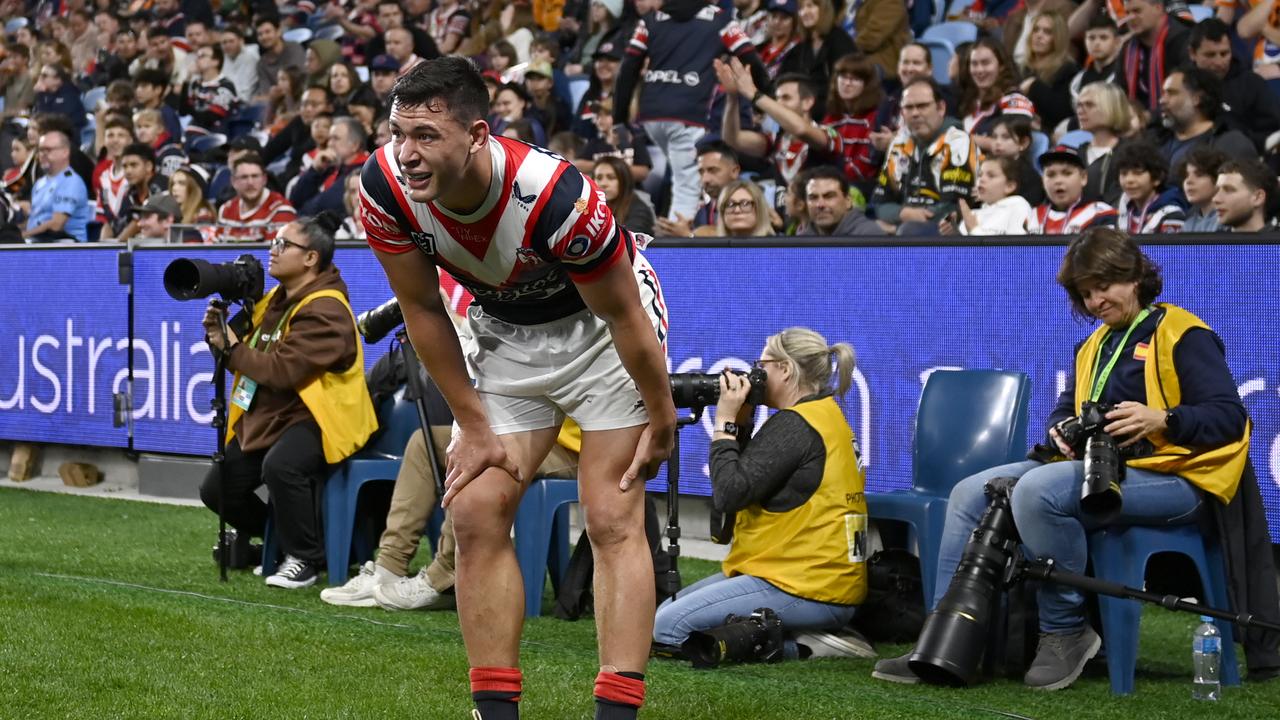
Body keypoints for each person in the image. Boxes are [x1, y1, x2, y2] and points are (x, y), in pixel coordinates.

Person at [359, 57, 674, 720]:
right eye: (398, 134)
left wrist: (662, 411)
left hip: (601, 333)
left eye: (426, 137)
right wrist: (472, 423)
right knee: (474, 510)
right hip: (508, 332)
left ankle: (616, 711)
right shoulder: (381, 186)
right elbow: (420, 309)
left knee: (612, 515)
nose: (407, 154)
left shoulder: (556, 195)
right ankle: (495, 711)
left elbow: (623, 315)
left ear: (477, 135)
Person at [873, 227, 1252, 690]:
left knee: (1037, 491)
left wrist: (1163, 420)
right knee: (969, 491)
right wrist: (1059, 428)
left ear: (1134, 277)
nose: (1095, 301)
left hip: (1179, 479)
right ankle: (944, 636)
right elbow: (1068, 407)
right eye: (1086, 293)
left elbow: (1229, 417)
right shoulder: (1092, 347)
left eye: (1104, 286)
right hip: (1101, 470)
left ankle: (1065, 630)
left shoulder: (1183, 333)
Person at [653, 327, 871, 660]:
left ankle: (804, 647)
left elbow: (729, 494)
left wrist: (724, 423)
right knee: (669, 612)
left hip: (806, 586)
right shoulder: (822, 414)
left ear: (784, 369)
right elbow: (746, 491)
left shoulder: (795, 425)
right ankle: (800, 629)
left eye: (762, 364)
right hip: (818, 581)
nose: (755, 374)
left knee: (668, 628)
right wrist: (740, 426)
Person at [201, 216, 377, 589]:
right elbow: (239, 353)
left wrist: (231, 347)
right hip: (271, 415)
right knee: (217, 488)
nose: (272, 250)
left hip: (318, 418)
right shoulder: (274, 302)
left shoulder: (327, 309)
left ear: (311, 258)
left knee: (281, 466)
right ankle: (282, 542)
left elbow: (281, 371)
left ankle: (306, 558)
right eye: (273, 242)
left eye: (283, 244)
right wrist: (220, 337)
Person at [613, 0, 769, 223]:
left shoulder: (649, 21)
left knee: (682, 178)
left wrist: (619, 118)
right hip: (689, 115)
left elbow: (627, 68)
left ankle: (686, 231)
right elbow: (750, 57)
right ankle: (678, 246)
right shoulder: (722, 19)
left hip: (652, 116)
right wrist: (764, 99)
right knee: (688, 186)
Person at [872, 78, 979, 236]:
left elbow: (953, 208)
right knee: (865, 228)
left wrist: (900, 224)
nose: (915, 113)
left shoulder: (958, 141)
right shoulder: (898, 144)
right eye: (909, 107)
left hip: (951, 231)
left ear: (941, 108)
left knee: (909, 231)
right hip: (907, 225)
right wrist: (903, 214)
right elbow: (880, 204)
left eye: (922, 106)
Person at [1187, 18, 1280, 154]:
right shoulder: (1182, 84)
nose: (1219, 62)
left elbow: (1272, 133)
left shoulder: (1252, 84)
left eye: (1224, 53)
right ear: (1192, 53)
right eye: (1210, 55)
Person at [1151, 66, 1256, 179]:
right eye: (1163, 93)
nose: (1162, 100)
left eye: (1171, 93)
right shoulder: (1157, 141)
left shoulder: (1230, 144)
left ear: (1197, 98)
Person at [776, 0, 856, 118]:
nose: (804, 12)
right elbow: (782, 79)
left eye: (810, 6)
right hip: (801, 110)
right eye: (801, 8)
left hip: (830, 113)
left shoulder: (841, 42)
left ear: (824, 9)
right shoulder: (800, 48)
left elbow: (842, 90)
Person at [957, 38, 1035, 153]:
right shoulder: (968, 100)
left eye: (985, 63)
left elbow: (1015, 143)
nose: (979, 69)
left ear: (1001, 65)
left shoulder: (1014, 99)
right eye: (974, 64)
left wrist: (964, 139)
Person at [1116, 0, 1190, 116]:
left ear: (1158, 8)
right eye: (1127, 13)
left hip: (1177, 120)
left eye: (1137, 11)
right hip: (1137, 123)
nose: (1130, 18)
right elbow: (1119, 93)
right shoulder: (1127, 48)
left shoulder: (1184, 41)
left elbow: (1186, 94)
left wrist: (1150, 117)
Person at [655, 141, 741, 237]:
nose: (705, 179)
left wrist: (688, 235)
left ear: (734, 171)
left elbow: (740, 242)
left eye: (713, 170)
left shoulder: (749, 204)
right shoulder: (702, 213)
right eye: (701, 172)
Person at [289, 116, 370, 218]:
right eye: (330, 138)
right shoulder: (330, 165)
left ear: (355, 145)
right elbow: (295, 199)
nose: (329, 144)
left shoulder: (365, 170)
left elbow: (324, 206)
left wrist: (298, 216)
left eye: (336, 138)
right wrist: (314, 169)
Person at [1027, 145, 1117, 234]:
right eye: (1051, 175)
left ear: (1083, 178)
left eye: (1067, 173)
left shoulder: (1101, 214)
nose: (1058, 181)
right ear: (1043, 181)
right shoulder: (1032, 217)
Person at [23, 127, 90, 243]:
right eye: (40, 150)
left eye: (48, 150)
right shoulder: (40, 183)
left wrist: (22, 235)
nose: (42, 154)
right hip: (38, 244)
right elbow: (34, 220)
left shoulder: (71, 182)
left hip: (65, 249)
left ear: (65, 152)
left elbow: (56, 225)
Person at [1074, 82, 1135, 205]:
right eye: (1079, 105)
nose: (1080, 111)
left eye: (1089, 105)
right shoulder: (1075, 153)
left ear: (1111, 107)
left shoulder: (1131, 154)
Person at [940, 156, 1033, 236]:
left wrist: (973, 229)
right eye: (980, 175)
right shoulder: (973, 215)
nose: (981, 179)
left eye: (991, 176)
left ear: (1009, 186)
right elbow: (966, 254)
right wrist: (954, 235)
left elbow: (1017, 251)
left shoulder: (1018, 205)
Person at [217, 154, 298, 242]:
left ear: (264, 179)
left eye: (255, 176)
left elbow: (277, 254)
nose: (250, 182)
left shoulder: (281, 210)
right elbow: (216, 252)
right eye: (244, 177)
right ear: (233, 182)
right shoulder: (226, 209)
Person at [1112, 139, 1185, 234]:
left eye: (1137, 173)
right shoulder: (1118, 211)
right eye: (1124, 174)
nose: (1129, 180)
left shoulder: (1172, 215)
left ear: (1157, 178)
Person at [102, 142, 167, 242]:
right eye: (125, 166)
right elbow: (115, 224)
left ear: (149, 166)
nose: (128, 171)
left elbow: (137, 223)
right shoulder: (130, 192)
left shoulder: (161, 186)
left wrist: (115, 248)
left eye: (133, 165)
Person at [796, 166, 879, 236]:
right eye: (813, 198)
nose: (820, 204)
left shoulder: (870, 236)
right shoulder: (800, 243)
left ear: (848, 201)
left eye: (829, 196)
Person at [985, 115, 1045, 206]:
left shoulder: (1031, 178)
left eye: (1006, 137)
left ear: (1023, 143)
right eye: (994, 137)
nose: (997, 142)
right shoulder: (983, 168)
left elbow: (1026, 208)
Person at [182, 43, 240, 135]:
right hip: (194, 131)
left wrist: (191, 110)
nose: (197, 60)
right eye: (197, 56)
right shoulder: (196, 84)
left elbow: (210, 117)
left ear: (215, 61)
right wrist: (187, 79)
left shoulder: (225, 85)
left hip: (216, 134)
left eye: (202, 56)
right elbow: (183, 111)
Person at [594, 156, 655, 236]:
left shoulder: (640, 210)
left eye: (611, 178)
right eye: (599, 178)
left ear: (624, 181)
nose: (603, 184)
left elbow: (627, 243)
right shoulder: (590, 207)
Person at [1069, 14, 1123, 102]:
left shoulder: (1126, 75)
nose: (1096, 43)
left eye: (1103, 38)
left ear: (1117, 42)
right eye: (1091, 38)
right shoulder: (1077, 81)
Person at [1213, 159, 1277, 233]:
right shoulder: (1211, 243)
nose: (1215, 199)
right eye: (1217, 190)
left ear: (1258, 197)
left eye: (1228, 190)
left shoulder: (1274, 243)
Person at [1177, 146, 1228, 233]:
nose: (1188, 181)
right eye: (1185, 176)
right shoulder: (1188, 224)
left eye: (1199, 175)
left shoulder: (1229, 220)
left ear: (1218, 179)